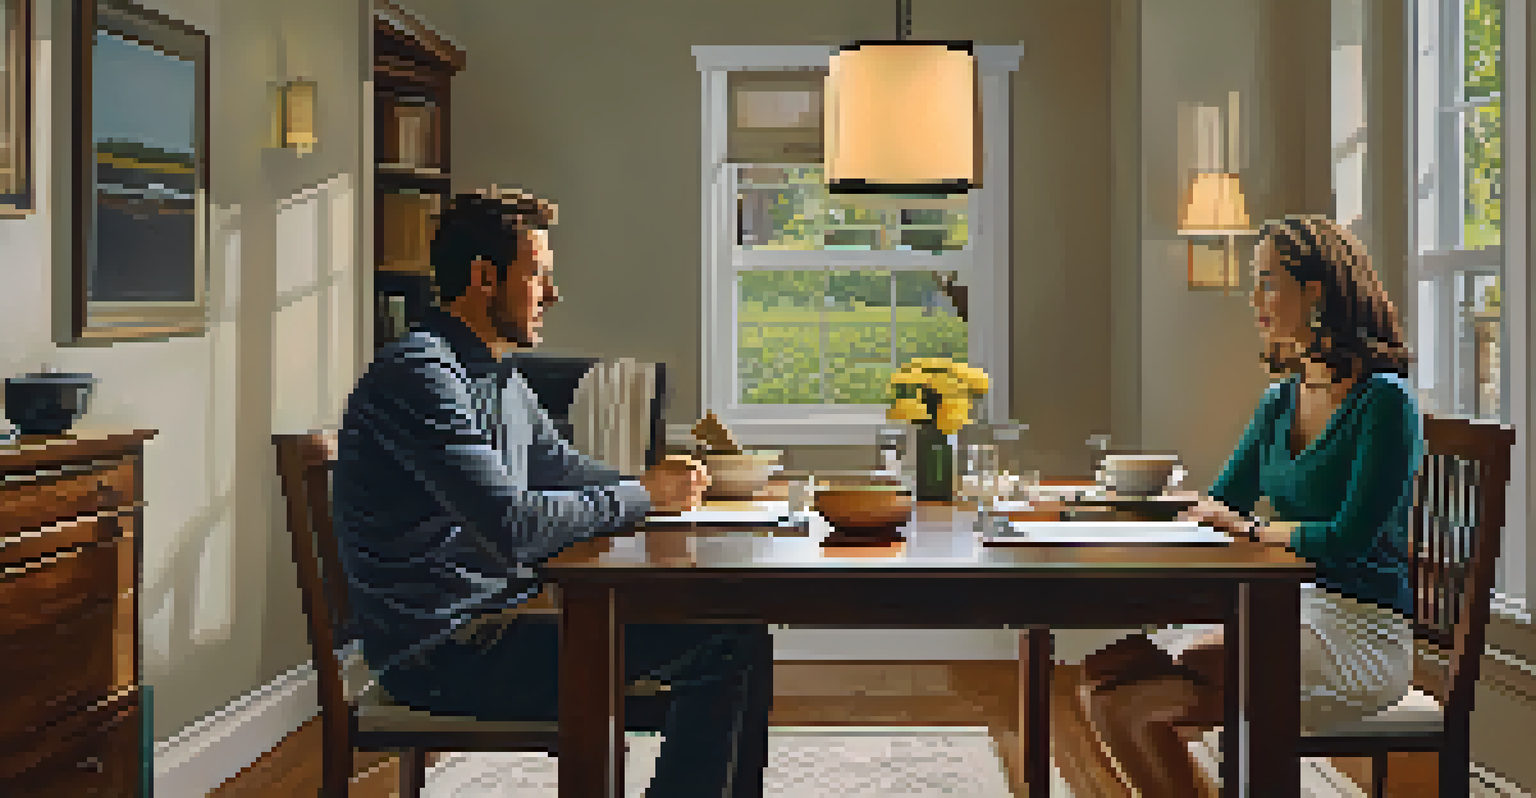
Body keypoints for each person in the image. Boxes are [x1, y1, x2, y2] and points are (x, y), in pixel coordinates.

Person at [333, 186, 772, 798]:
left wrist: (657, 488)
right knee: (729, 642)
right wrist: (644, 495)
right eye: (537, 274)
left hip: (493, 624)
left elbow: (559, 466)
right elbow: (515, 527)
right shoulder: (420, 374)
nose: (552, 292)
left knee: (732, 627)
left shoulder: (496, 374)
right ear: (486, 277)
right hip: (442, 651)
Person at [1055, 215, 1422, 798]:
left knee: (1183, 661)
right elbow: (1220, 503)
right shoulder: (1280, 401)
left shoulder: (1384, 403)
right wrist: (1121, 507)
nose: (1255, 299)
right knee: (1105, 687)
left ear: (1317, 290)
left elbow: (1348, 539)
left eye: (1269, 282)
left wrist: (1255, 528)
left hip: (1359, 630)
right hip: (1286, 608)